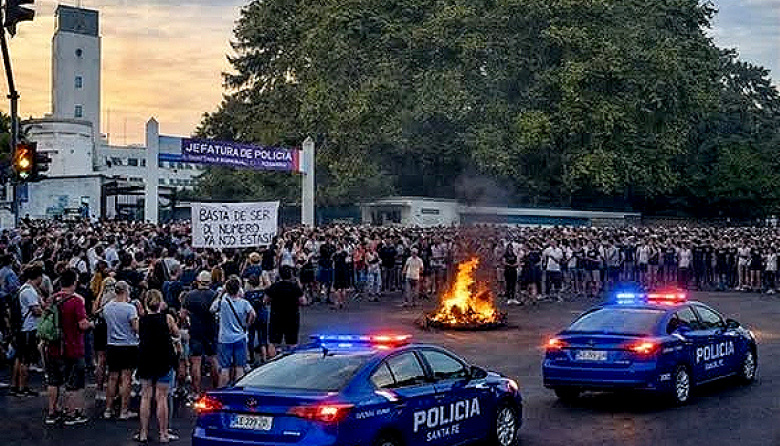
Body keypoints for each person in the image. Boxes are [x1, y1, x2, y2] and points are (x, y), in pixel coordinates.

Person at [44, 268, 94, 425]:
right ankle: (71, 414)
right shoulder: (76, 301)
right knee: (73, 383)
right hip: (72, 346)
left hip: (53, 345)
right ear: (74, 282)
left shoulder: (52, 299)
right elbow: (82, 324)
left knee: (53, 381)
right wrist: (91, 323)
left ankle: (52, 412)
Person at [136, 290, 179, 443]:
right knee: (162, 397)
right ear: (160, 302)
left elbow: (139, 334)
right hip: (163, 357)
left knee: (145, 396)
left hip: (146, 358)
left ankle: (143, 432)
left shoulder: (141, 320)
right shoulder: (167, 318)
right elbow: (176, 333)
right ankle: (163, 433)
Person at [103, 280, 140, 420]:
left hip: (112, 344)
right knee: (126, 378)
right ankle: (124, 410)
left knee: (112, 378)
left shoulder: (107, 307)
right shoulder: (130, 308)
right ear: (125, 291)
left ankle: (108, 408)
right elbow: (136, 328)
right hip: (128, 345)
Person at [210, 277, 255, 387]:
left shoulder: (223, 303)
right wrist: (247, 325)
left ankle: (222, 390)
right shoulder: (244, 303)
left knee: (225, 368)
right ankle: (238, 389)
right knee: (239, 367)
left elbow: (212, 309)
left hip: (224, 338)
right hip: (240, 336)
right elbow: (253, 314)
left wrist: (221, 294)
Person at [181, 271, 219, 397]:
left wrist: (187, 324)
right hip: (210, 330)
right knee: (213, 359)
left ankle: (196, 391)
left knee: (195, 362)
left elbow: (182, 314)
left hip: (196, 330)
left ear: (198, 281)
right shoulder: (215, 295)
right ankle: (216, 389)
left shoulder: (190, 295)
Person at [11, 263, 44, 397]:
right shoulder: (29, 291)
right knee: (26, 360)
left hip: (21, 328)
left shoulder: (23, 288)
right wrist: (46, 312)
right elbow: (36, 311)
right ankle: (23, 387)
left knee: (19, 358)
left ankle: (15, 385)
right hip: (28, 329)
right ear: (38, 277)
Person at [265, 266, 305, 358]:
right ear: (291, 275)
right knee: (292, 342)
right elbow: (303, 301)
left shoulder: (274, 286)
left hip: (276, 316)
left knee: (273, 342)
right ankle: (291, 361)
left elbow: (266, 300)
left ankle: (271, 362)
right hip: (292, 316)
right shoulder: (294, 287)